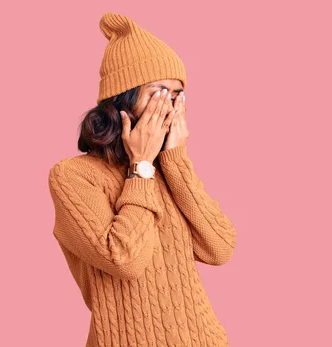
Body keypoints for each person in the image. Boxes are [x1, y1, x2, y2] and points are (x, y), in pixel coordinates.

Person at [47, 12, 237, 347]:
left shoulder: (170, 171)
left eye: (178, 94)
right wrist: (141, 167)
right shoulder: (72, 176)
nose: (170, 106)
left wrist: (175, 160)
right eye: (159, 92)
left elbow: (219, 248)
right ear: (123, 100)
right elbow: (125, 260)